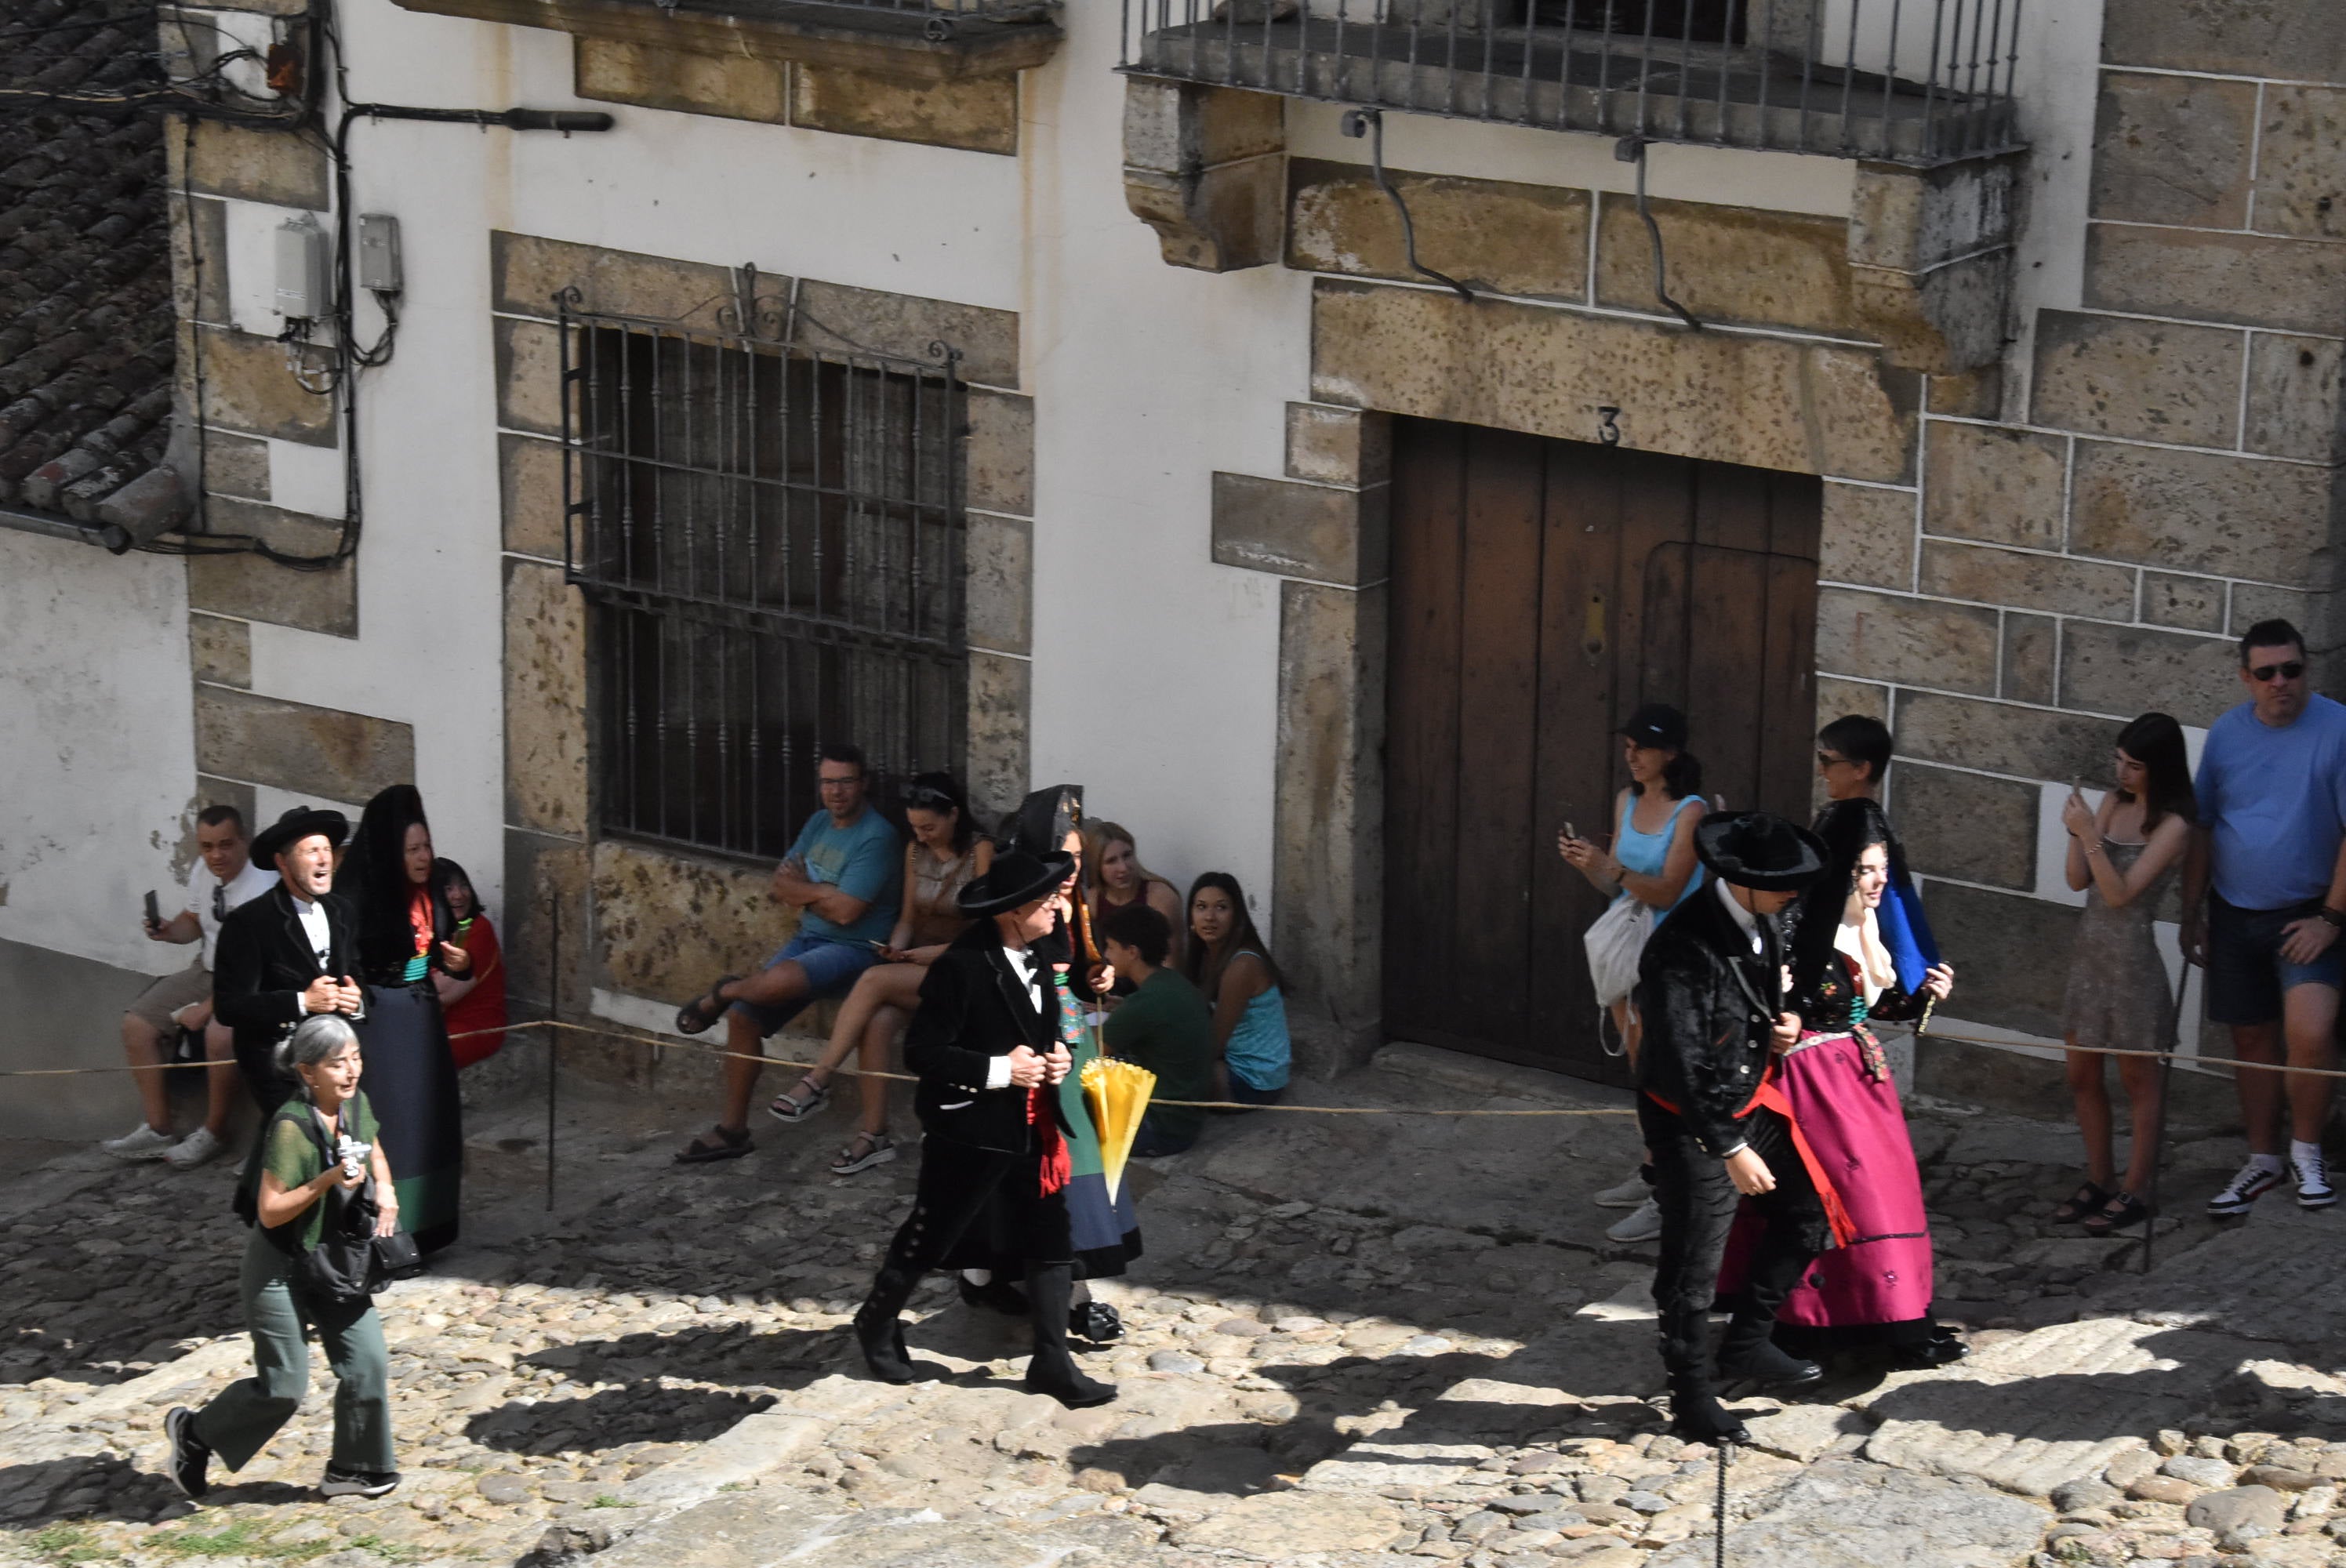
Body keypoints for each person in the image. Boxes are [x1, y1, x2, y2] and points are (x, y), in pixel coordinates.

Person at [850, 844, 1117, 1410]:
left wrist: (1056, 1059)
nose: (1058, 911)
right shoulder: (962, 967)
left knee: (1051, 1238)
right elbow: (923, 1053)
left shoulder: (1040, 952)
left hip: (1032, 1129)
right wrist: (1002, 1069)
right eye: (1048, 902)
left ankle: (1052, 1362)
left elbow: (1046, 1028)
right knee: (933, 1233)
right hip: (969, 1128)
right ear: (1013, 910)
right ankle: (876, 1319)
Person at [1728, 797, 1959, 1368]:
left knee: (1886, 1195)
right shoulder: (1802, 932)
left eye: (1883, 867)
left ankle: (1893, 1324)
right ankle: (1811, 1325)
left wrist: (1922, 995)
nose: (1878, 880)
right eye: (1865, 870)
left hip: (1860, 1082)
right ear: (1839, 871)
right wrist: (1777, 1025)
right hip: (1812, 1087)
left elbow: (1865, 1007)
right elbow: (1779, 1008)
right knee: (1845, 1202)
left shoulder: (1867, 923)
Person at [1636, 811, 1839, 1444]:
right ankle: (1691, 1396)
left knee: (1809, 1214)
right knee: (1693, 1264)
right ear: (1741, 880)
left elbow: (1760, 1002)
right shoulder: (1681, 946)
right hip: (1691, 1120)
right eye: (1783, 884)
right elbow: (1680, 1055)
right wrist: (1727, 1145)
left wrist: (1785, 1025)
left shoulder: (1767, 918)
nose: (1794, 895)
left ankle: (1747, 1342)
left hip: (1750, 1099)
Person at [164, 1014, 401, 1501]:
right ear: (309, 1072)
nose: (352, 1071)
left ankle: (355, 1469)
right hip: (280, 1266)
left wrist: (389, 1191)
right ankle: (195, 1434)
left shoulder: (356, 1104)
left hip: (335, 1260)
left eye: (356, 1058)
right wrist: (327, 1181)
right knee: (284, 1387)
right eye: (338, 1064)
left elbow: (372, 1144)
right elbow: (270, 1213)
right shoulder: (291, 1127)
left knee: (368, 1362)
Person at [2183, 619, 2346, 1215]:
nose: (2282, 683)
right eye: (2268, 673)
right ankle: (2263, 1159)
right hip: (2233, 910)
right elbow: (2203, 824)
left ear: (2306, 669)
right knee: (2250, 1039)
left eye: (2293, 670)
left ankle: (2307, 1151)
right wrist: (2191, 908)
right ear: (2246, 678)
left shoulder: (2338, 728)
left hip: (2309, 913)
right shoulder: (2227, 734)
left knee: (2310, 1032)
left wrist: (2332, 916)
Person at [672, 744, 902, 1163]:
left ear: (863, 783)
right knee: (744, 1016)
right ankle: (733, 1130)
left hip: (855, 950)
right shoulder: (818, 823)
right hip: (810, 938)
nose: (836, 792)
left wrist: (808, 893)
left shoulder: (878, 836)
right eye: (828, 782)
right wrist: (824, 894)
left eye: (846, 782)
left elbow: (850, 913)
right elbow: (780, 886)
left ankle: (721, 993)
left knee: (770, 985)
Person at [767, 772, 993, 1177]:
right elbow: (907, 918)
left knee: (871, 981)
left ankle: (818, 1079)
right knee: (877, 1020)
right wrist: (899, 948)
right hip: (919, 964)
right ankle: (875, 1135)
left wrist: (923, 955)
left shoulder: (981, 852)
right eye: (915, 828)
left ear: (954, 815)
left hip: (966, 965)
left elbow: (987, 931)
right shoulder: (913, 853)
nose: (922, 836)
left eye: (930, 827)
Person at [1557, 703, 1708, 1245]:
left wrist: (1614, 868)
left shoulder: (1690, 811)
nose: (1633, 757)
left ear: (1670, 752)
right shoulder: (1627, 800)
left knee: (1665, 1075)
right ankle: (1653, 1171)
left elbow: (1668, 889)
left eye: (1642, 747)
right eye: (1628, 747)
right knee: (1642, 1071)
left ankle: (1670, 1190)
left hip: (1673, 952)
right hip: (1629, 945)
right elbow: (1616, 889)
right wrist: (1590, 866)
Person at [2057, 713, 2195, 1235]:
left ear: (2159, 768)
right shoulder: (2112, 803)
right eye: (2119, 760)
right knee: (2081, 1074)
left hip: (2133, 964)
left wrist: (2089, 833)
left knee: (2139, 1081)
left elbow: (2120, 894)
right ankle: (2101, 1179)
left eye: (2134, 765)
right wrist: (2080, 828)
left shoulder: (2174, 823)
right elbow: (2077, 880)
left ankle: (2139, 1187)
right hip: (2090, 959)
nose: (2123, 772)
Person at [104, 804, 278, 1169]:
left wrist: (207, 1008)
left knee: (218, 1036)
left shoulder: (262, 884)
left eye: (226, 845)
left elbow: (254, 966)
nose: (217, 855)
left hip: (249, 981)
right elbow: (196, 922)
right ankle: (158, 1129)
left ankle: (214, 1133)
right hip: (209, 968)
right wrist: (169, 931)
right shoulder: (205, 870)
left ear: (244, 841)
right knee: (137, 1024)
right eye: (208, 846)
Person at [336, 786, 470, 1256]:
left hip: (422, 1014)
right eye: (412, 849)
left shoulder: (431, 888)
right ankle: (391, 1229)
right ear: (393, 851)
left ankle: (432, 1222)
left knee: (430, 1118)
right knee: (395, 1122)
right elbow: (346, 963)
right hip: (382, 1019)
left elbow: (441, 949)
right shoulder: (358, 895)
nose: (423, 857)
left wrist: (456, 963)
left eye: (427, 847)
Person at [214, 807, 361, 1120]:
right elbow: (230, 1007)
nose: (325, 860)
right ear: (283, 862)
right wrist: (303, 1001)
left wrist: (356, 1000)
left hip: (337, 1061)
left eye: (327, 850)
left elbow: (357, 976)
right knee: (300, 1149)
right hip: (280, 1065)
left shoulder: (342, 911)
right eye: (312, 852)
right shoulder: (249, 922)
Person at [1100, 902, 1216, 1159]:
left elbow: (1092, 1053)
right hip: (1188, 1121)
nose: (1107, 955)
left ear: (1132, 951)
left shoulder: (1144, 1004)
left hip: (1160, 1130)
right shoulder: (1173, 983)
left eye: (1110, 946)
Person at [1182, 872, 1291, 1106]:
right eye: (1201, 907)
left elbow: (1214, 1043)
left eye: (1221, 908)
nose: (1210, 917)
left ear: (1237, 915)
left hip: (1253, 1082)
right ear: (1191, 914)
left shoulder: (1243, 965)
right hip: (1230, 1064)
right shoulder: (1205, 957)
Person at [1084, 821, 1186, 979]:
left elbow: (1171, 966)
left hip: (1155, 991)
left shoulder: (1160, 896)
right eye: (1111, 861)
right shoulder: (1092, 900)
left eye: (1127, 855)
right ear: (1097, 866)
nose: (1123, 867)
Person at [434, 860, 507, 1070]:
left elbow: (445, 992)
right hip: (435, 1023)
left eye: (463, 885)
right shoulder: (428, 928)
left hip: (473, 1029)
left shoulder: (479, 929)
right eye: (448, 888)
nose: (459, 895)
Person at [1815, 713, 1894, 804]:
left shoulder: (1855, 817)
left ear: (1861, 770)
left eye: (1826, 761)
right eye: (1821, 758)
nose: (1820, 770)